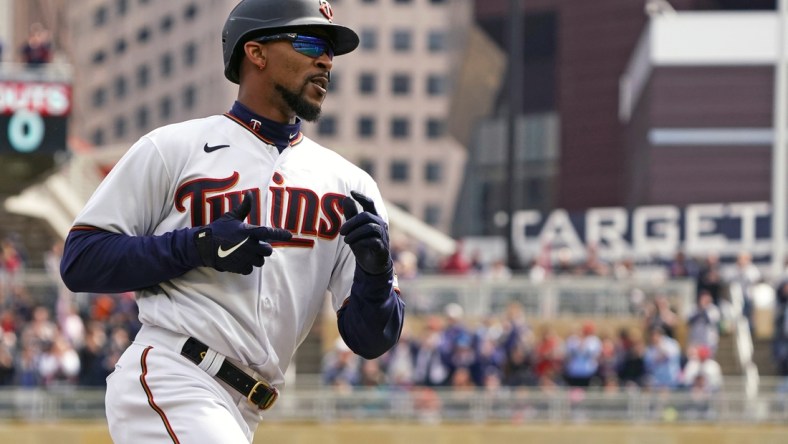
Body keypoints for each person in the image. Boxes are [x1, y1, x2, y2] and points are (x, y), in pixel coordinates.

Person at [58, 1, 404, 442]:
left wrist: (377, 275)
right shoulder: (173, 148)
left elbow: (370, 341)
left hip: (246, 408)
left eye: (331, 49)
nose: (325, 60)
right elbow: (81, 259)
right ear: (255, 52)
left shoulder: (351, 186)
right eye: (309, 41)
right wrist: (196, 246)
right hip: (173, 373)